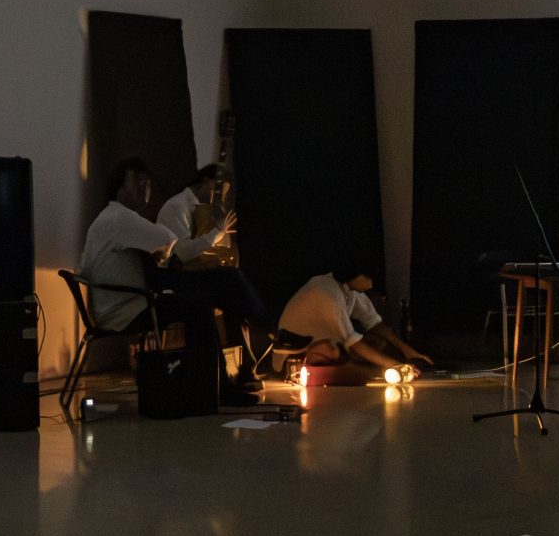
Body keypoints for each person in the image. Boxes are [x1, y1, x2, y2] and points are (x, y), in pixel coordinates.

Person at [80, 157, 271, 394]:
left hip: (123, 304)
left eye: (146, 185)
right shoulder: (120, 217)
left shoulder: (109, 218)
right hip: (128, 309)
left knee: (225, 286)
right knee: (207, 299)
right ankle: (222, 380)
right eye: (137, 184)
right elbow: (168, 240)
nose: (143, 190)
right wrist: (212, 235)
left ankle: (224, 378)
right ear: (119, 187)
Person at [277, 270, 435, 376]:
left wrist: (411, 353)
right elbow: (353, 343)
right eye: (369, 278)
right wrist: (395, 365)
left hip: (329, 348)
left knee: (377, 341)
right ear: (357, 275)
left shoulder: (350, 291)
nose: (372, 284)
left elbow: (375, 325)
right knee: (352, 357)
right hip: (297, 358)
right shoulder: (326, 293)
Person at [155, 163, 234, 251]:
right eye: (218, 190)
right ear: (206, 181)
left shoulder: (202, 209)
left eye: (223, 196)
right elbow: (184, 251)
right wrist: (218, 231)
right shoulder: (178, 206)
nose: (220, 198)